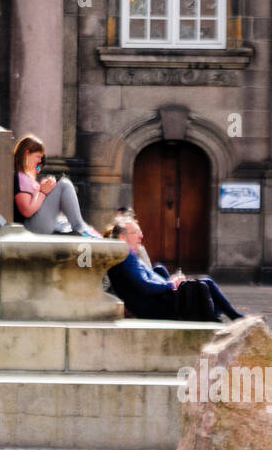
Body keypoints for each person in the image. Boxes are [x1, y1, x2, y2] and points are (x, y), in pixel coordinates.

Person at [104, 214, 244, 322]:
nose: (141, 236)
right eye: (135, 232)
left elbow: (145, 282)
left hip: (156, 303)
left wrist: (171, 282)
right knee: (205, 284)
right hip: (157, 308)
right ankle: (234, 318)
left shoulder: (125, 256)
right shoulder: (125, 258)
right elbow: (145, 286)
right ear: (122, 237)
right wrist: (172, 284)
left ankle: (230, 317)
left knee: (196, 284)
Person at [13, 134, 99, 238]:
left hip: (36, 225)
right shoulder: (20, 177)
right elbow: (27, 211)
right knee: (64, 185)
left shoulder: (26, 176)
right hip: (31, 227)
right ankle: (81, 228)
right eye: (38, 156)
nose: (40, 161)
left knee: (65, 221)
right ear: (27, 153)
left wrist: (43, 189)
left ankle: (83, 228)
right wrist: (43, 192)